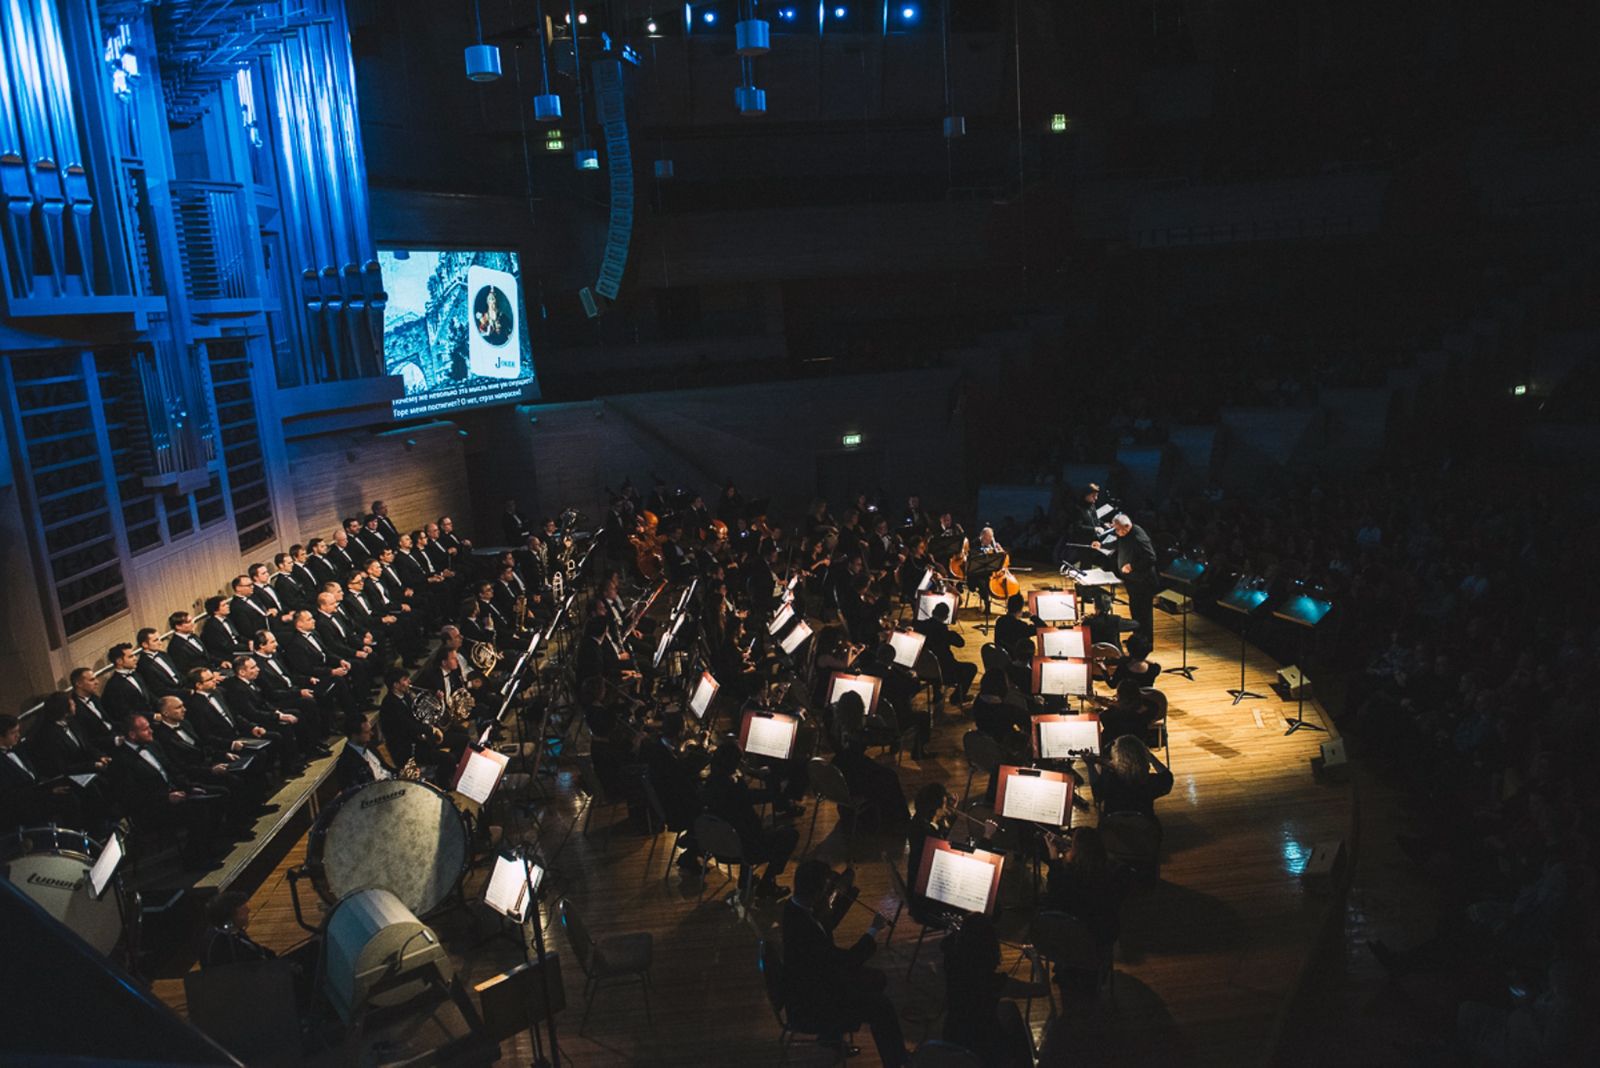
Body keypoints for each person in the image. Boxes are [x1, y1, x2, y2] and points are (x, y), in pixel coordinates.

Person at [782, 859, 909, 1065]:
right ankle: (897, 1061)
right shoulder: (807, 931)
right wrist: (873, 929)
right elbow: (847, 961)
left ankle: (831, 1036)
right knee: (881, 1006)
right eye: (826, 888)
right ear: (817, 892)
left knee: (877, 980)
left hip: (811, 985)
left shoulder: (793, 908)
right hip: (814, 1004)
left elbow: (828, 958)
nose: (829, 893)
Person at [939, 912, 1043, 1066]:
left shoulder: (951, 963)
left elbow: (947, 943)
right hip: (983, 1045)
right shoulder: (994, 982)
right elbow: (1043, 989)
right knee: (1011, 1013)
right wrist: (1035, 960)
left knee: (1007, 1006)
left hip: (953, 1034)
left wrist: (959, 930)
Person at [701, 741, 798, 899]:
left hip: (718, 845)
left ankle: (745, 879)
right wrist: (773, 784)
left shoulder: (712, 782)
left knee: (745, 828)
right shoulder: (734, 788)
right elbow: (755, 796)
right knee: (790, 836)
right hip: (742, 850)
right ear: (735, 763)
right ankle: (767, 884)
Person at [1095, 513, 1157, 646]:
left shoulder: (1139, 537)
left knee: (1144, 614)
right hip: (1132, 581)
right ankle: (1137, 638)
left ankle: (1146, 642)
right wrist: (1101, 545)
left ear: (1127, 526)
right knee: (1135, 610)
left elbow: (1151, 558)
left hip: (1144, 582)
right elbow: (1117, 543)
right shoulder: (1124, 534)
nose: (1116, 532)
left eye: (1117, 529)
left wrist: (1132, 566)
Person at [1086, 735, 1174, 826]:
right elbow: (1167, 777)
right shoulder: (1148, 781)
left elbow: (1097, 792)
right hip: (1144, 832)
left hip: (1113, 833)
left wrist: (1090, 765)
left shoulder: (1110, 779)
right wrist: (1151, 757)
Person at [913, 602, 976, 707]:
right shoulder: (943, 631)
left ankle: (937, 694)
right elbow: (961, 643)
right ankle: (956, 698)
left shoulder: (920, 626)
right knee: (971, 668)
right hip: (944, 673)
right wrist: (949, 631)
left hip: (922, 669)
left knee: (934, 659)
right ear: (946, 616)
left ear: (932, 612)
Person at [199, 890, 276, 968]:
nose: (248, 910)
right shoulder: (225, 944)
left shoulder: (230, 932)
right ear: (230, 915)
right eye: (242, 908)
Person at [333, 713, 396, 790]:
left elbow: (387, 767)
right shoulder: (345, 763)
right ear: (354, 736)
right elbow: (359, 794)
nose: (372, 734)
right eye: (366, 732)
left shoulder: (371, 745)